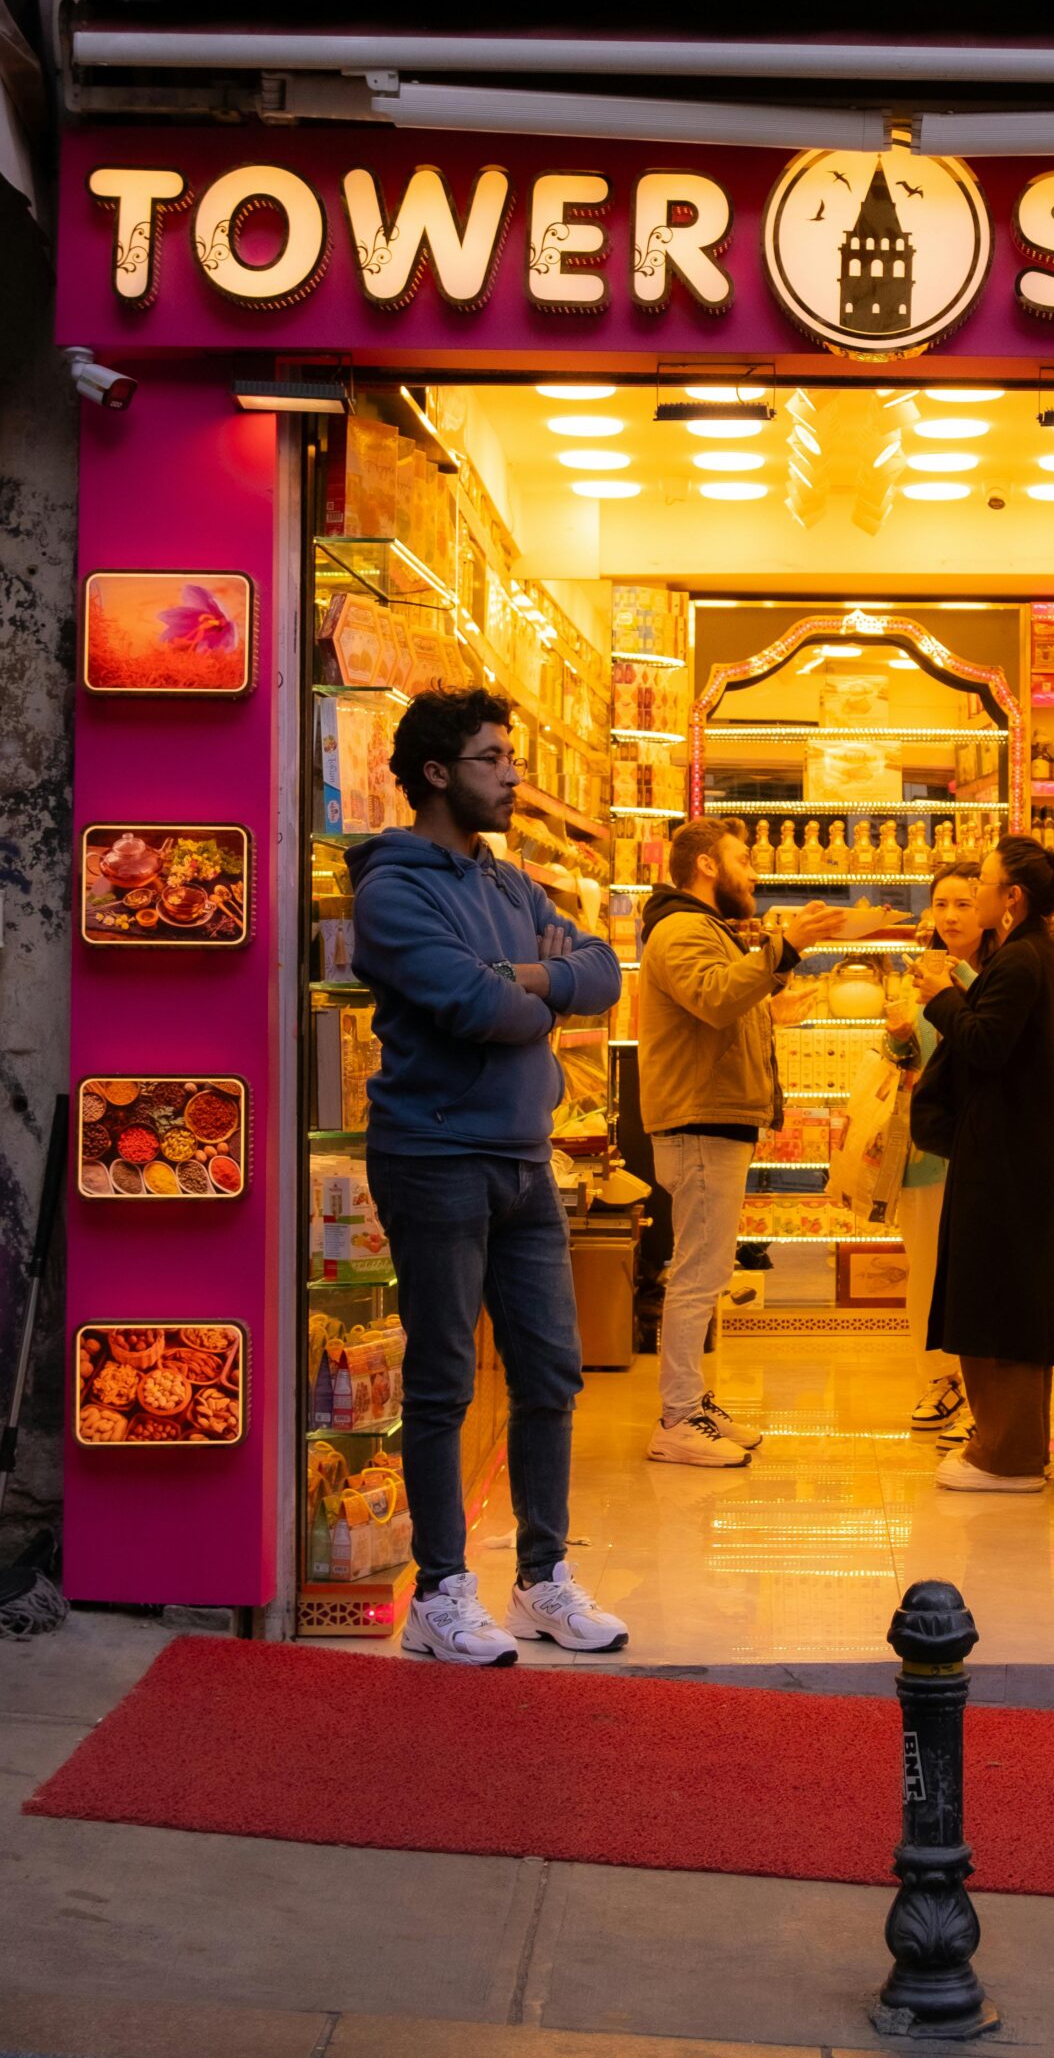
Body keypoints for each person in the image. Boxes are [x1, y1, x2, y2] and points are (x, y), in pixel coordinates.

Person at [349, 687, 626, 1666]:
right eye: (491, 758)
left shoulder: (509, 886)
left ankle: (543, 1578)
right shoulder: (392, 890)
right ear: (436, 773)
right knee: (442, 1379)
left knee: (551, 1372)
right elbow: (474, 1007)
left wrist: (533, 978)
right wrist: (525, 986)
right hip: (433, 1157)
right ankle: (440, 1591)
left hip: (522, 1159)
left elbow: (602, 973)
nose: (513, 774)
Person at [636, 817, 845, 1466]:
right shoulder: (680, 930)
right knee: (698, 1272)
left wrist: (775, 992)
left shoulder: (707, 931)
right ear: (705, 866)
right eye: (743, 858)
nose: (753, 872)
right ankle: (675, 1418)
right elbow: (712, 998)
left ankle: (693, 1402)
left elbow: (724, 1007)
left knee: (708, 1268)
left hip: (715, 1117)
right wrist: (783, 949)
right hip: (697, 1119)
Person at [912, 834, 1054, 1492]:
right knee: (1003, 1291)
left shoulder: (1018, 961)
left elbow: (984, 1045)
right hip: (1017, 1149)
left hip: (1008, 1157)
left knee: (998, 1295)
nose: (973, 896)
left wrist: (941, 993)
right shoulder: (1035, 953)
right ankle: (1008, 1444)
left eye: (981, 884)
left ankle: (1006, 1456)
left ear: (1010, 897)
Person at [881, 863, 991, 1444]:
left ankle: (981, 1390)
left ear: (991, 908)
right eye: (941, 904)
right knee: (924, 1268)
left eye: (964, 904)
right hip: (925, 1147)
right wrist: (898, 1037)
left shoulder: (997, 973)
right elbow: (907, 1053)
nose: (949, 916)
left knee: (974, 1268)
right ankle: (939, 1377)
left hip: (978, 1146)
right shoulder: (918, 973)